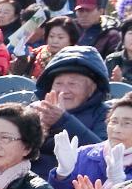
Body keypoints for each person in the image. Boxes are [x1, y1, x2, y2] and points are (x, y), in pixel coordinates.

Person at [33, 45, 113, 177]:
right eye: (58, 83)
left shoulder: (106, 114)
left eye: (73, 84)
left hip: (78, 184)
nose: (64, 91)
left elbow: (103, 153)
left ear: (91, 89)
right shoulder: (36, 109)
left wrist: (63, 121)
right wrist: (39, 129)